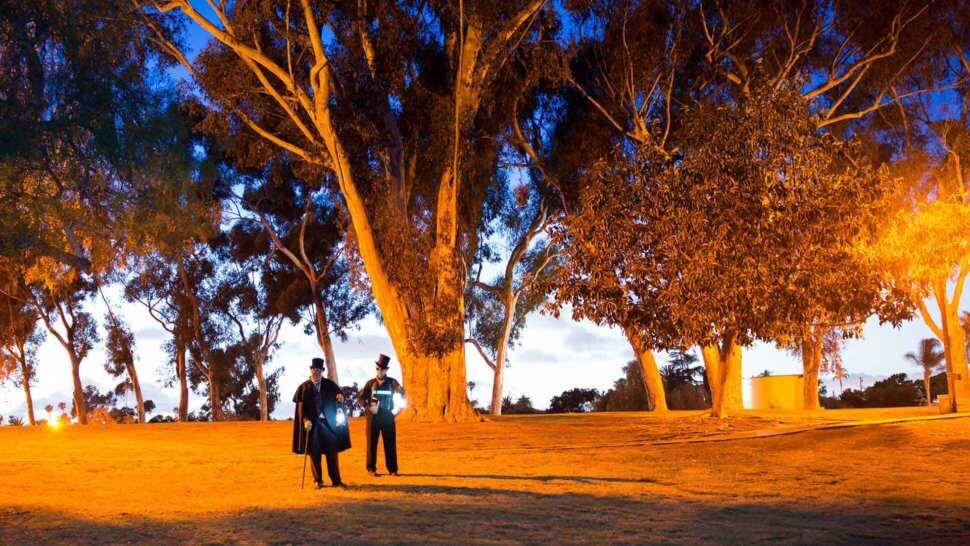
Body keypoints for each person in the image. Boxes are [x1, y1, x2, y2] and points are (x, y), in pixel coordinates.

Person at [292, 358, 351, 489]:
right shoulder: (303, 388)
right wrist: (305, 421)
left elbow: (340, 396)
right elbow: (302, 410)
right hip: (313, 426)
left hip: (329, 424)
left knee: (332, 453)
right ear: (311, 370)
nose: (316, 372)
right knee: (315, 453)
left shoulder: (330, 385)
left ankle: (336, 481)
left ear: (322, 371)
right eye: (313, 369)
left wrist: (340, 397)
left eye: (318, 370)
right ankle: (317, 481)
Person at [357, 353, 405, 477]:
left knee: (390, 443)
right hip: (373, 417)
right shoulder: (370, 383)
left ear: (386, 370)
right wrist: (367, 408)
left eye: (382, 369)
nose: (379, 371)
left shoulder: (393, 382)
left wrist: (399, 408)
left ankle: (393, 470)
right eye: (377, 368)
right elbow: (361, 398)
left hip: (388, 415)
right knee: (371, 443)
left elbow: (402, 394)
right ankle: (371, 469)